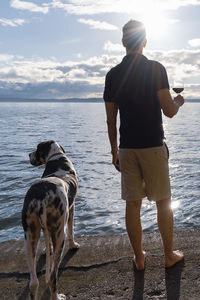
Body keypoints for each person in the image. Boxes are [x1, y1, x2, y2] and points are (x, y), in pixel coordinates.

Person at [103, 19, 184, 270]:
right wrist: (179, 101)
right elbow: (169, 110)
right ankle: (168, 255)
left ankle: (139, 257)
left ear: (124, 42)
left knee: (133, 204)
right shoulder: (156, 69)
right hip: (153, 146)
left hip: (127, 148)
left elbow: (110, 120)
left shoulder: (113, 75)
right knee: (163, 201)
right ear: (145, 42)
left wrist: (115, 152)